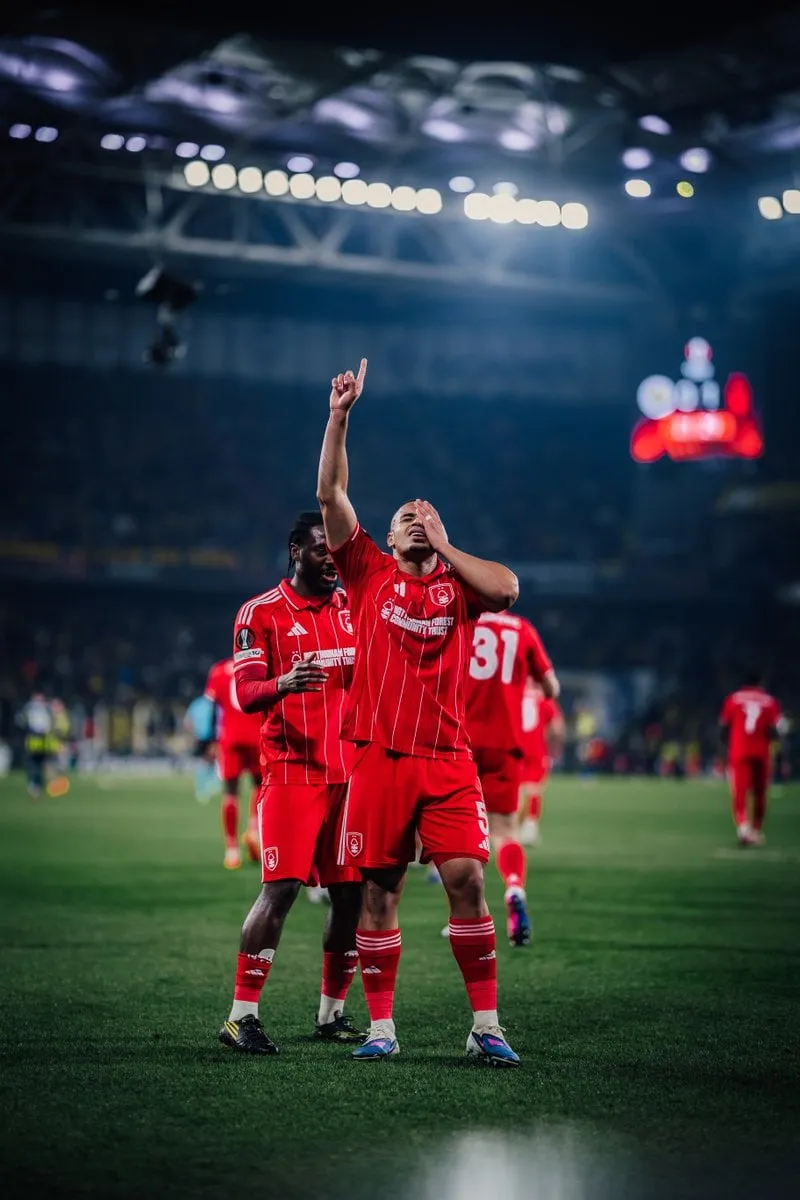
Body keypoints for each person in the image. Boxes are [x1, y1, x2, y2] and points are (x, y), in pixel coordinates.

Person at [318, 359, 521, 1067]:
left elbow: (508, 588)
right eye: (401, 515)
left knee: (467, 879)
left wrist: (443, 545)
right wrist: (340, 415)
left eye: (419, 515)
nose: (407, 518)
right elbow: (331, 492)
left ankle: (485, 1026)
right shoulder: (366, 568)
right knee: (379, 893)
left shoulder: (457, 590)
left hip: (446, 758)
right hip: (377, 755)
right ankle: (382, 1029)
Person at [218, 512, 364, 1055]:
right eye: (322, 549)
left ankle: (331, 1013)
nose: (333, 558)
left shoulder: (354, 607)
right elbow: (246, 693)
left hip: (350, 776)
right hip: (291, 775)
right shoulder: (261, 613)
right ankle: (242, 1016)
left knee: (351, 896)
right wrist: (285, 682)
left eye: (338, 551)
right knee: (280, 890)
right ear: (295, 549)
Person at [465, 612, 559, 946]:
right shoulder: (522, 629)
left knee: (461, 836)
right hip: (506, 741)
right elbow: (551, 687)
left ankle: (467, 917)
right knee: (506, 831)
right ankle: (515, 887)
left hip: (460, 741)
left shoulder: (462, 619)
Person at [204, 657, 263, 869]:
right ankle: (254, 828)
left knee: (230, 791)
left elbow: (211, 708)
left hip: (230, 737)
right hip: (257, 733)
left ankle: (231, 850)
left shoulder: (219, 670)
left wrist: (210, 740)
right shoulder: (257, 665)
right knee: (261, 784)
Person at [720, 673, 782, 846]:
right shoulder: (769, 701)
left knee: (739, 791)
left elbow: (724, 728)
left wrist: (728, 746)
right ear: (761, 683)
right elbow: (774, 730)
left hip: (739, 751)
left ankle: (743, 828)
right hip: (761, 752)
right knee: (760, 792)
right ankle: (756, 829)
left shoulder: (734, 699)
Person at [518, 681, 565, 847]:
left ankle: (510, 828)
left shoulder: (513, 694)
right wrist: (553, 745)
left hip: (513, 749)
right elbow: (557, 727)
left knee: (516, 790)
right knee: (534, 789)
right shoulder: (544, 700)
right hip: (536, 750)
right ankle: (529, 829)